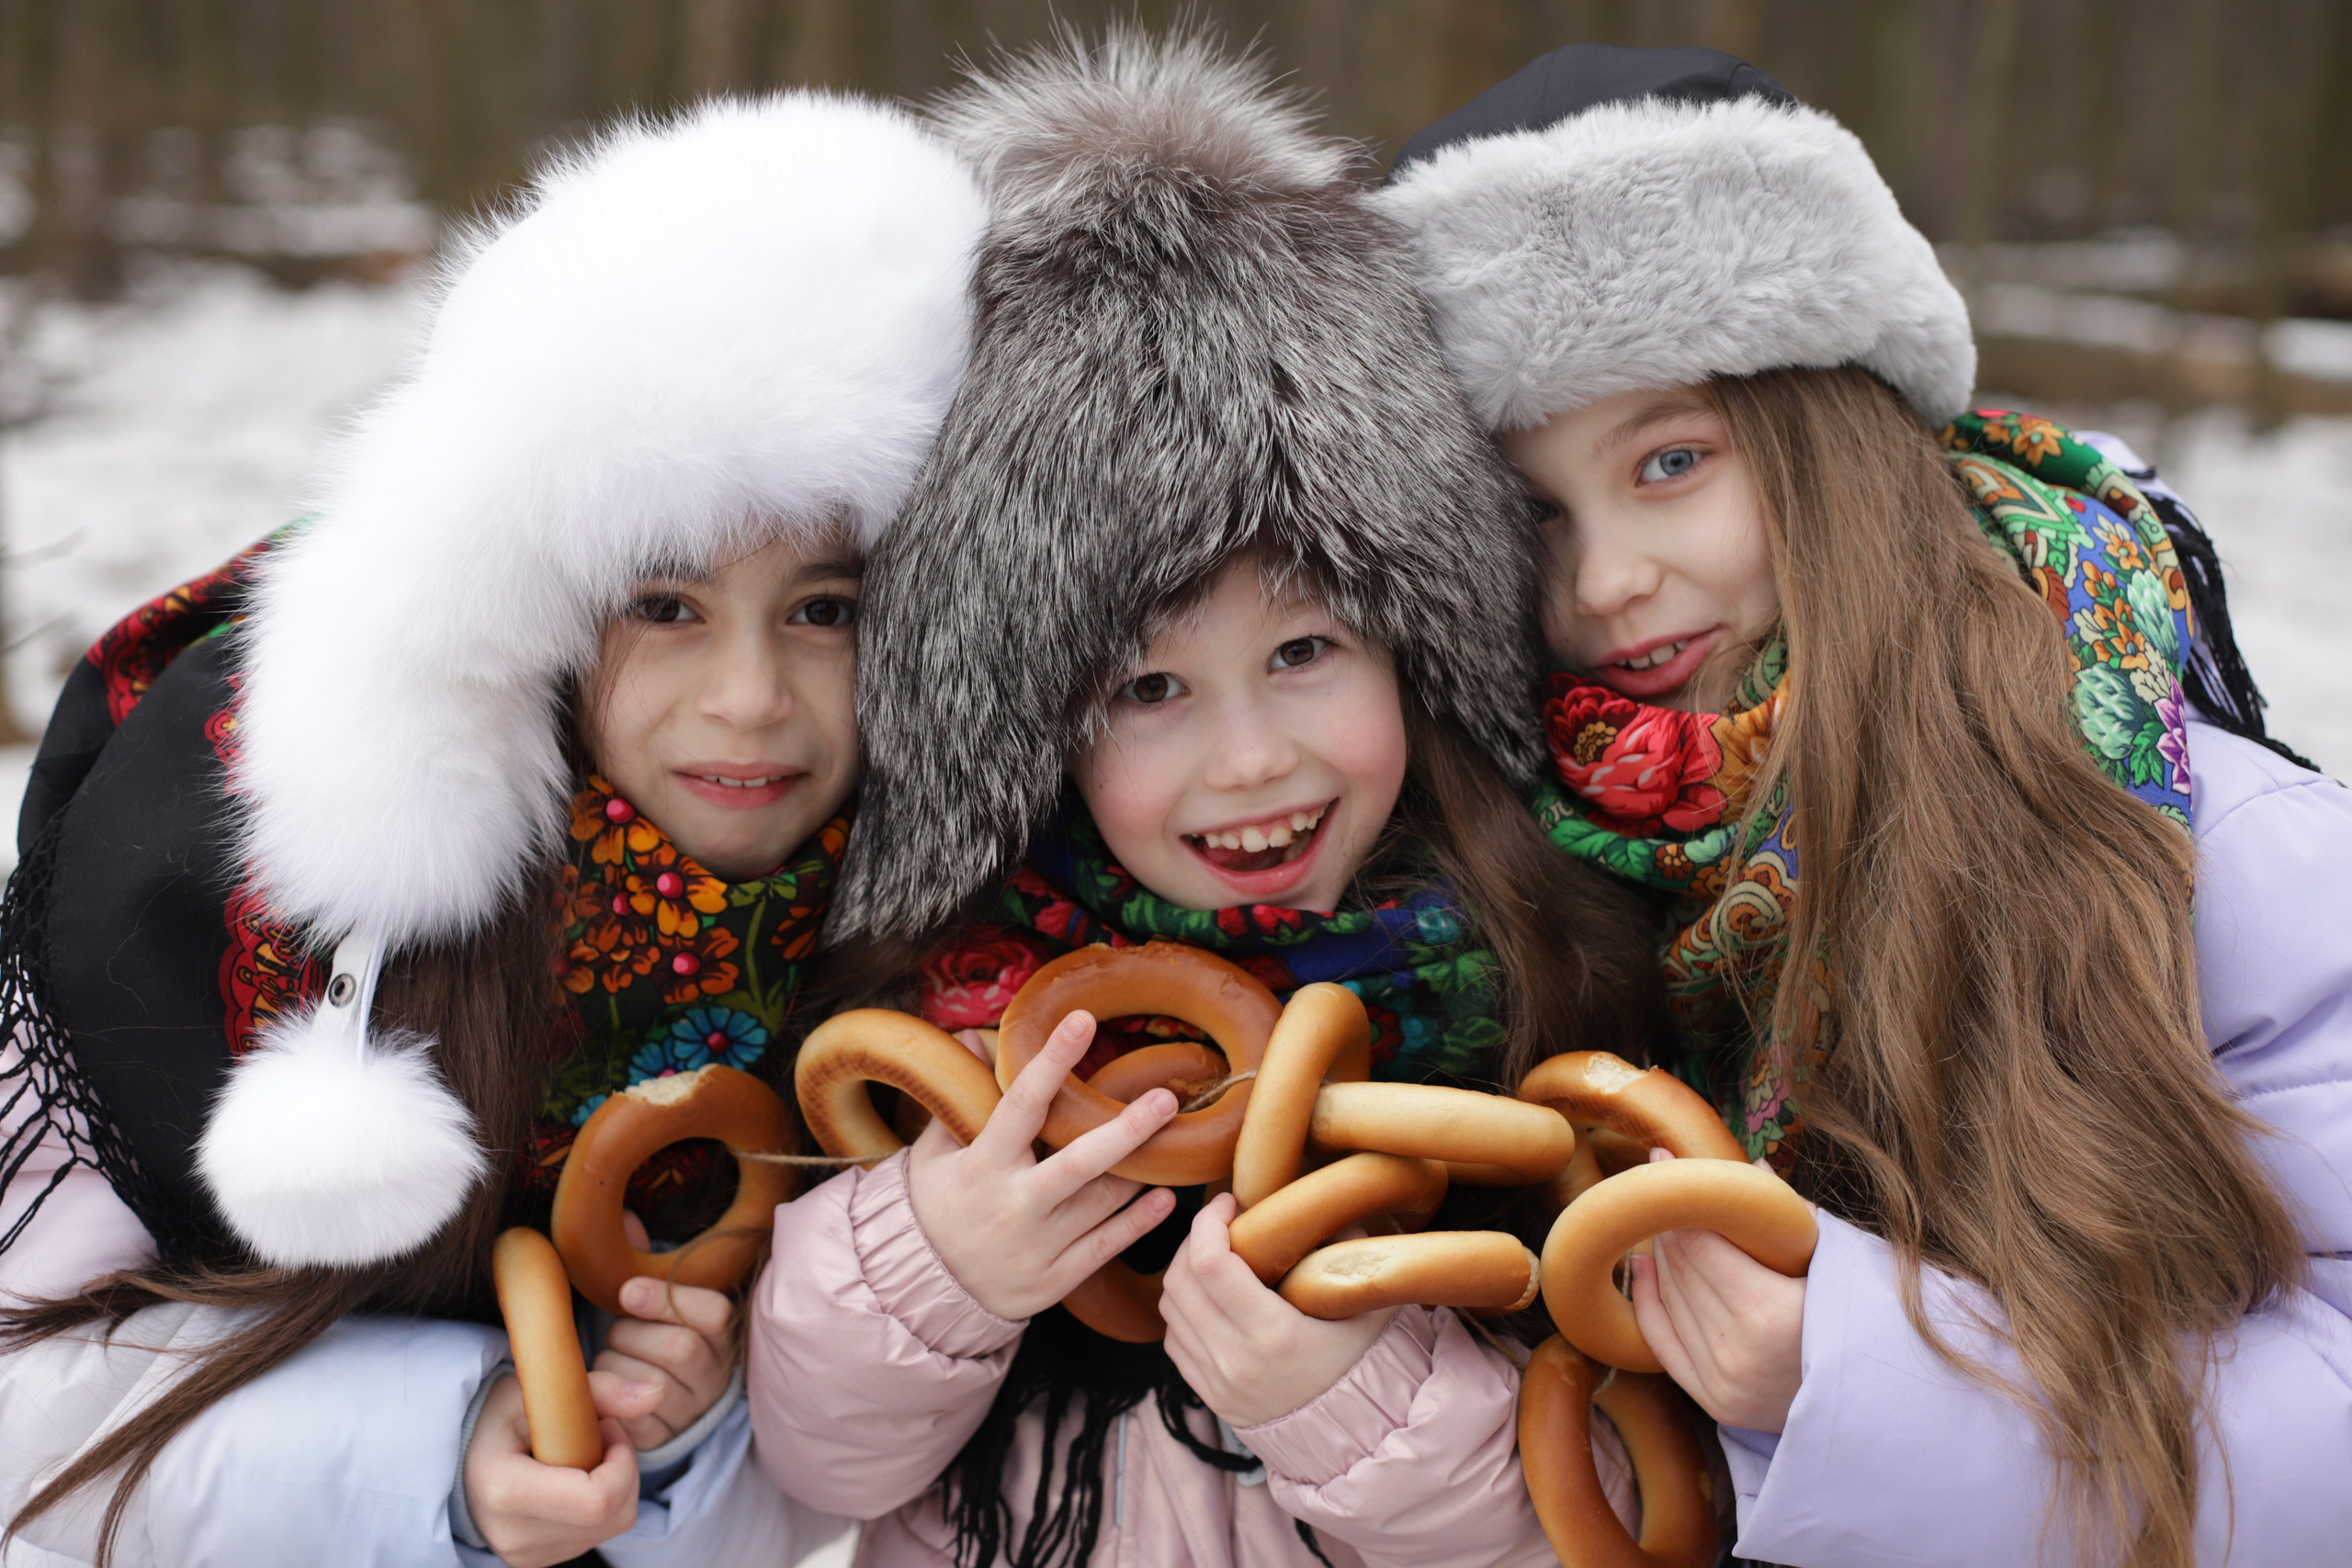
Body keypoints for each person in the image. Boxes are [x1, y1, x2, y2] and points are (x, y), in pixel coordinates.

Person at [1378, 43, 2352, 1567]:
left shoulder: (2189, 838)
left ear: (1827, 434)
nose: (1608, 578)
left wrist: (1851, 1380)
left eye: (1672, 461)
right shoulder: (1499, 880)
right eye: (1532, 516)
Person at [0, 92, 984, 1568]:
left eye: (826, 610)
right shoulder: (218, 872)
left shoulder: (925, 935)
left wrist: (688, 1426)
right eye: (665, 604)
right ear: (530, 600)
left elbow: (847, 1486)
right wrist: (442, 1445)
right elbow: (24, 1404)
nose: (750, 699)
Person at [745, 32, 1665, 1568]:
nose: (1249, 760)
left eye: (1305, 651)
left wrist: (1353, 1403)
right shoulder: (947, 1042)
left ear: (1420, 652)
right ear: (1023, 728)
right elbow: (819, 1464)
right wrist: (934, 1269)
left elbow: (1620, 1511)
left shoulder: (1548, 996)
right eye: (1149, 689)